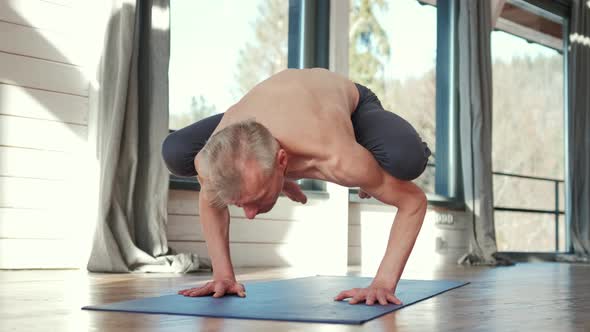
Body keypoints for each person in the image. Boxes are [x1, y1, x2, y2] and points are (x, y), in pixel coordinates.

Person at [162, 68, 431, 306]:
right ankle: (270, 183)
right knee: (174, 151)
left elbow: (413, 202)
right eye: (241, 204)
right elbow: (210, 200)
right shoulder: (210, 159)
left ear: (282, 161)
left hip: (349, 102)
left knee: (405, 160)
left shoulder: (338, 158)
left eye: (254, 200)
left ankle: (413, 152)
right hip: (270, 110)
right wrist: (223, 276)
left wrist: (383, 283)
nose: (250, 214)